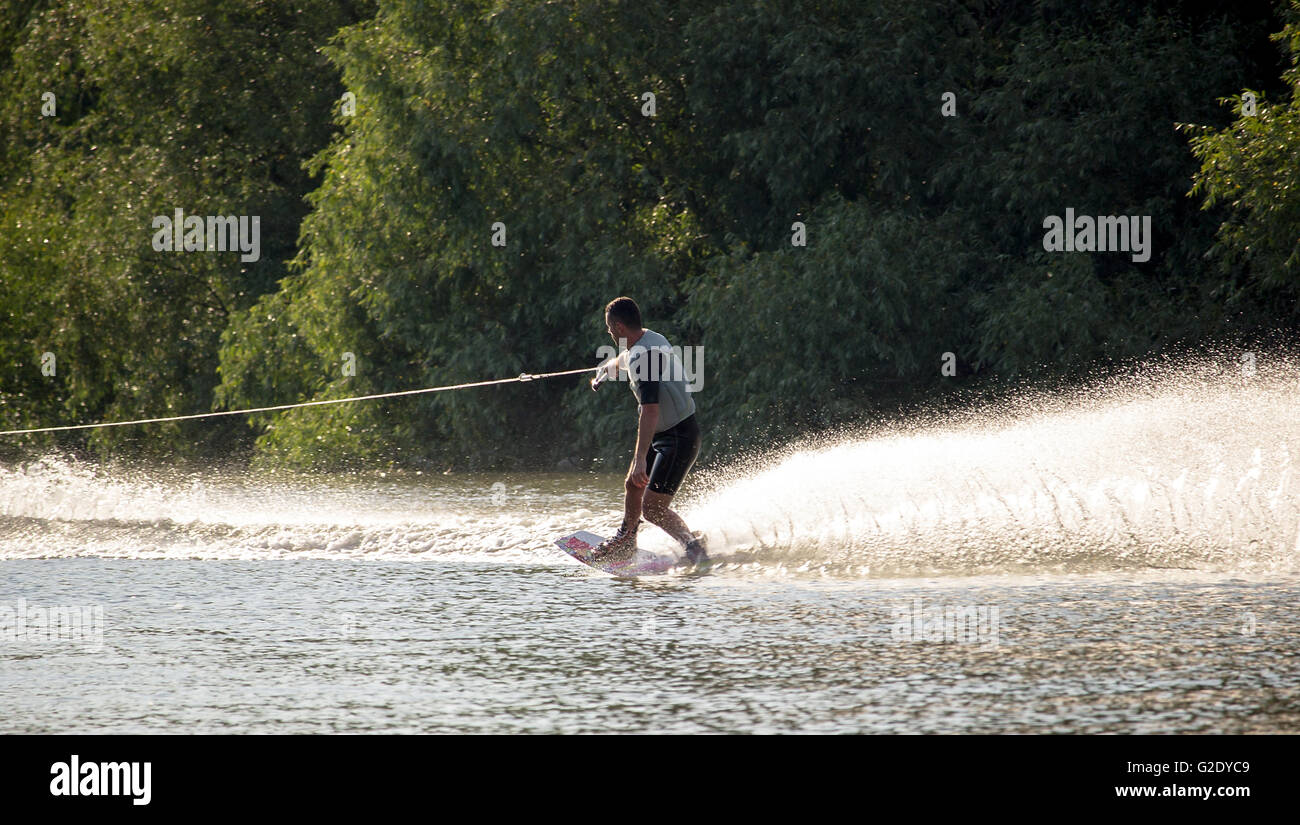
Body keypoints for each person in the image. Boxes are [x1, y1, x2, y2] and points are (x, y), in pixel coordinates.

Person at [590, 296, 708, 565]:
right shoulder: (648, 339)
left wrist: (641, 458)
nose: (609, 333)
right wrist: (605, 371)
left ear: (619, 327)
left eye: (609, 329)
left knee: (653, 508)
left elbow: (650, 410)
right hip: (665, 433)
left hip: (678, 436)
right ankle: (626, 540)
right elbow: (624, 358)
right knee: (633, 484)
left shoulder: (645, 360)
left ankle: (694, 547)